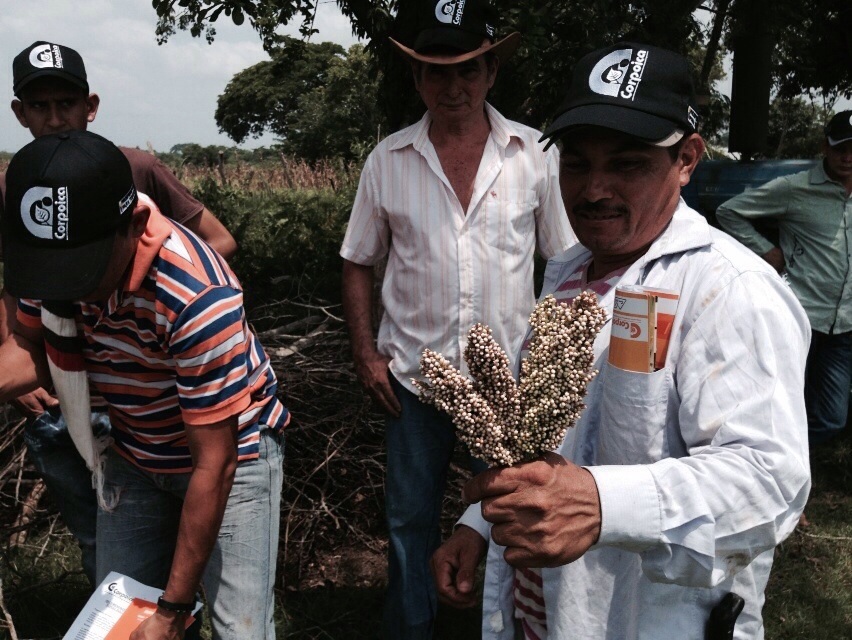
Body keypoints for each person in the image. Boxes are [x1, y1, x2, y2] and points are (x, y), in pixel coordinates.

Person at [432, 42, 811, 639]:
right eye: (576, 163)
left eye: (628, 164)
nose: (594, 189)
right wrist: (478, 525)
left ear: (687, 160)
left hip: (649, 618)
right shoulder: (567, 270)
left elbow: (768, 479)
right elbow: (548, 436)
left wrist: (603, 504)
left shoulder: (728, 289)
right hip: (545, 612)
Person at [339, 1, 575, 636]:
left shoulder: (533, 154)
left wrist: (557, 356)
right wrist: (366, 353)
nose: (454, 86)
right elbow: (358, 261)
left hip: (509, 385)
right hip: (413, 379)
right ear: (417, 79)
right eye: (437, 72)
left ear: (491, 73)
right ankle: (413, 626)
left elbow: (564, 262)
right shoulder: (387, 161)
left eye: (468, 69)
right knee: (407, 518)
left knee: (507, 511)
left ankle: (494, 623)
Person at [0, 130, 288, 639]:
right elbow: (30, 349)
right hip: (135, 452)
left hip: (231, 459)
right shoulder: (53, 263)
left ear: (134, 226)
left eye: (80, 269)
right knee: (114, 625)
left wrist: (174, 611)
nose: (67, 288)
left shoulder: (197, 295)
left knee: (238, 630)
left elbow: (213, 464)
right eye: (52, 269)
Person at [0, 40, 238, 584]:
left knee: (223, 605)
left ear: (92, 104)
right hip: (116, 427)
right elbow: (25, 302)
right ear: (19, 112)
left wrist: (141, 314)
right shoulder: (18, 189)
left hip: (179, 407)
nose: (56, 119)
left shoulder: (134, 171)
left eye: (67, 103)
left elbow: (216, 247)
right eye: (39, 106)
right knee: (113, 571)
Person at [717, 111, 852, 447]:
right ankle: (768, 465)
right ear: (826, 146)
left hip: (845, 323)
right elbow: (728, 211)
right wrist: (766, 250)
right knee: (778, 400)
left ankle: (788, 454)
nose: (848, 157)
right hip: (801, 314)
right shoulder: (796, 188)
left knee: (833, 417)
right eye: (841, 148)